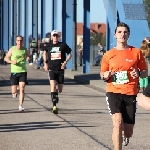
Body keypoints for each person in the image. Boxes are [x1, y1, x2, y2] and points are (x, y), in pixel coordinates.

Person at [100, 22, 147, 150]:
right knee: (117, 123)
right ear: (115, 35)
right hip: (113, 92)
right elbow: (102, 74)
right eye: (120, 32)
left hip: (130, 93)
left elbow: (145, 73)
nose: (122, 34)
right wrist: (106, 75)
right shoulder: (108, 55)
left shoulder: (136, 52)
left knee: (128, 131)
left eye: (125, 32)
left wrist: (138, 73)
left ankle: (125, 136)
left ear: (129, 35)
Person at [43, 30, 72, 114]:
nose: (55, 37)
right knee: (52, 84)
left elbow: (70, 54)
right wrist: (45, 63)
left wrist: (65, 62)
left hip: (60, 69)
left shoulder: (62, 45)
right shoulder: (48, 45)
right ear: (51, 37)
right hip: (51, 68)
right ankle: (54, 105)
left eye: (56, 36)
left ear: (58, 37)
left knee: (60, 90)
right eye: (54, 36)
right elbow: (44, 53)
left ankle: (56, 94)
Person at [4, 35, 30, 111]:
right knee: (14, 92)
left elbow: (28, 56)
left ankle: (20, 106)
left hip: (23, 71)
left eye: (21, 41)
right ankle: (16, 90)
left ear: (23, 41)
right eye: (18, 41)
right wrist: (12, 62)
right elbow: (6, 58)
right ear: (16, 41)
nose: (19, 42)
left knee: (22, 88)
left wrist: (28, 57)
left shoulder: (25, 49)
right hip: (14, 72)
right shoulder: (12, 49)